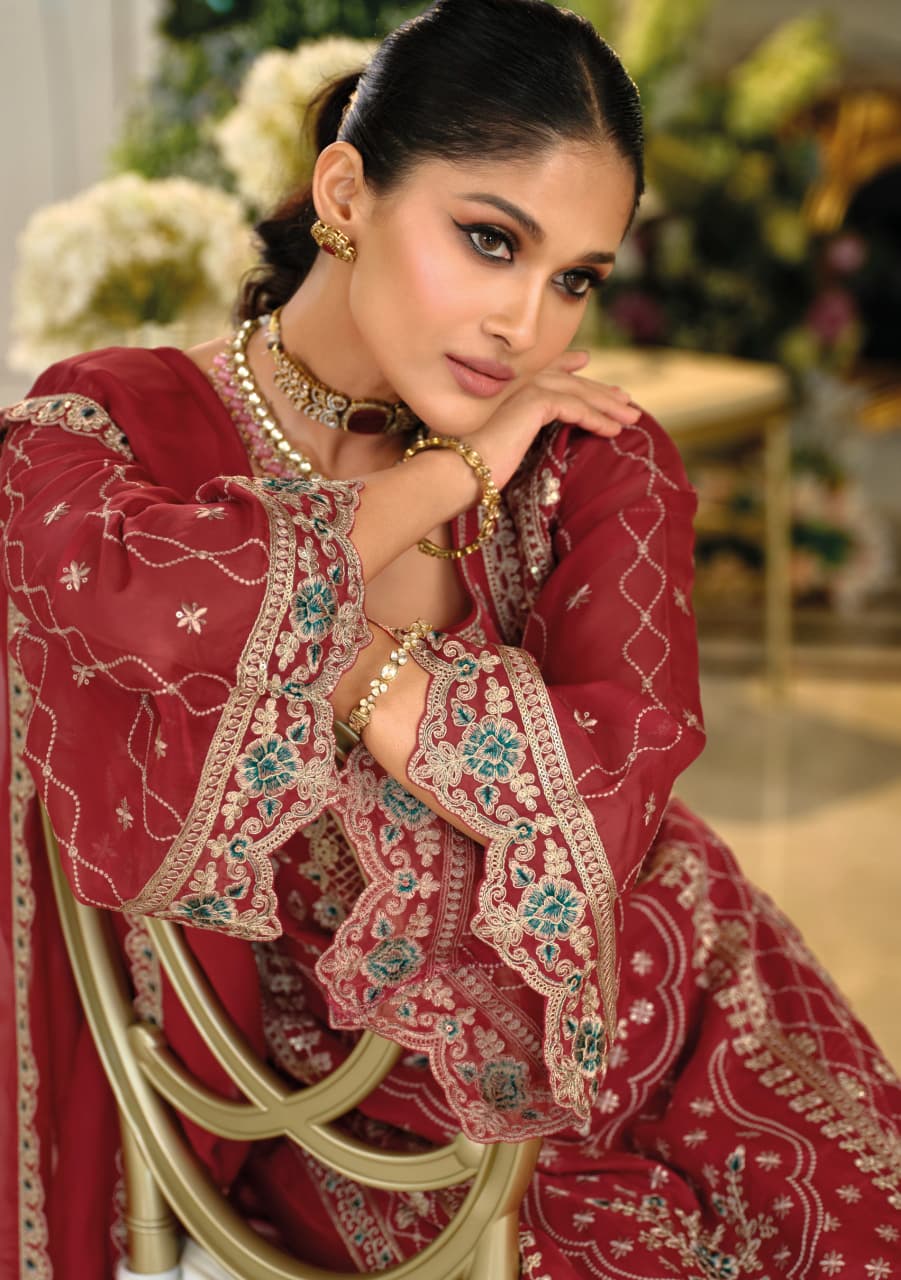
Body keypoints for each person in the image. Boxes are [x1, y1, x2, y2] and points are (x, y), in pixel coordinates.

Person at [1, 0, 899, 1274]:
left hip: (690, 1016)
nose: (527, 325)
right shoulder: (105, 435)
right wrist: (449, 479)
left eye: (573, 278)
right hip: (381, 1113)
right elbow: (138, 603)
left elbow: (611, 794)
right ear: (348, 192)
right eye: (491, 240)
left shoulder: (593, 457)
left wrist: (341, 655)